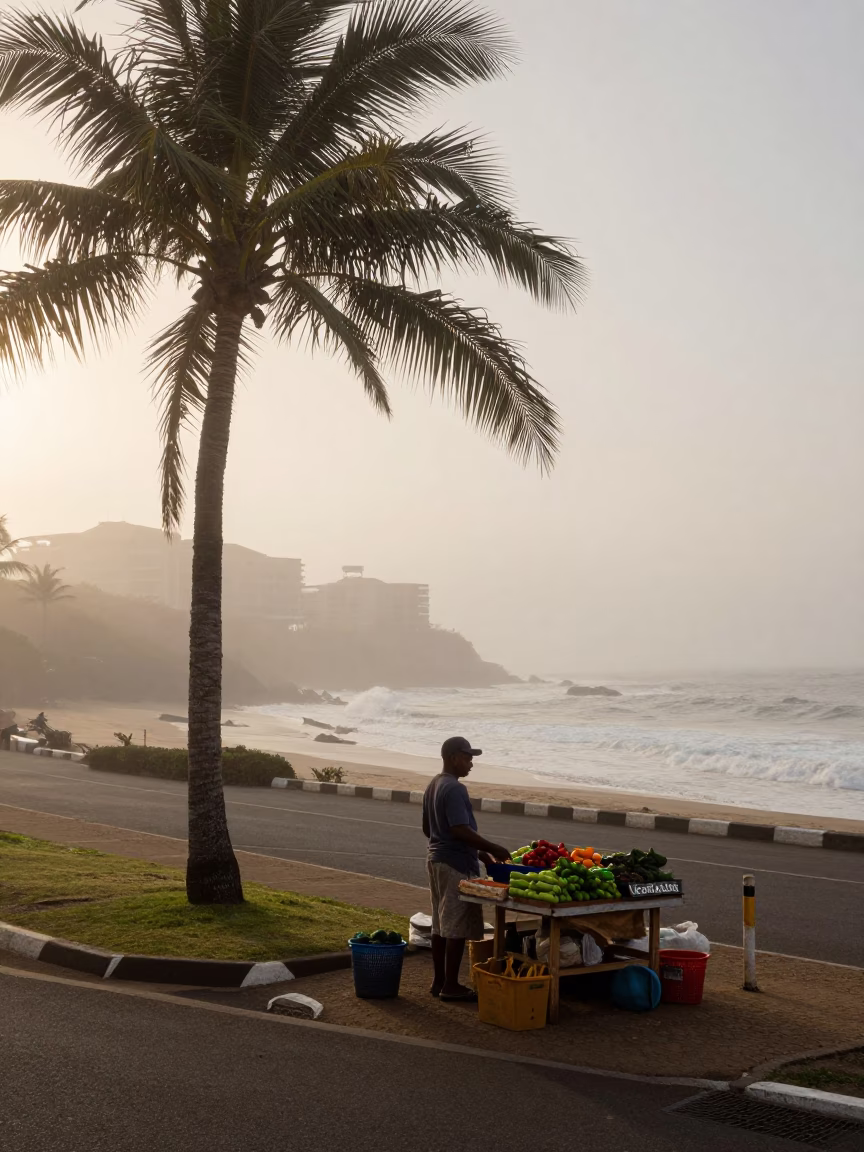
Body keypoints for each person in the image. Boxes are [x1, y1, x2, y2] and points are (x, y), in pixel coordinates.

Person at [422, 736, 511, 1002]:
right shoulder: (454, 788)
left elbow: (429, 829)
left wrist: (480, 853)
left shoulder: (433, 785)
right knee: (456, 926)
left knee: (440, 924)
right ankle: (451, 985)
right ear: (453, 757)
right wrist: (493, 847)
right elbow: (459, 829)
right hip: (455, 864)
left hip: (436, 860)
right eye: (467, 757)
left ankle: (438, 982)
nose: (471, 763)